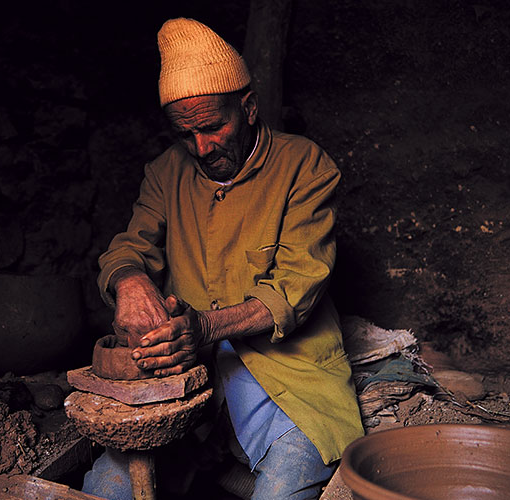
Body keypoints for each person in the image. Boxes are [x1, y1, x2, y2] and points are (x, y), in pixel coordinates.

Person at [82, 17, 363, 500]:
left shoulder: (305, 166)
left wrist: (206, 328)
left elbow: (295, 288)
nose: (202, 147)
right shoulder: (166, 171)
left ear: (249, 108)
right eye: (185, 134)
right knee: (105, 486)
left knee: (285, 486)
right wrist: (129, 279)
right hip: (192, 387)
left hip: (291, 380)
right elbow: (131, 245)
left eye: (214, 127)